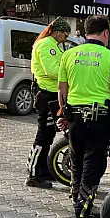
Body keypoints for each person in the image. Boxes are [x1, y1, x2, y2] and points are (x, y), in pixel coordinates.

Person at [57, 15, 110, 218]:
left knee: (77, 161)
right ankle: (83, 211)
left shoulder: (68, 55)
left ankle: (77, 201)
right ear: (106, 33)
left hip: (75, 118)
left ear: (85, 31)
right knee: (93, 164)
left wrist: (63, 114)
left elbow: (62, 90)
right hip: (99, 119)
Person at [25, 18, 71, 189]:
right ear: (57, 31)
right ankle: (33, 174)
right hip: (46, 94)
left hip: (52, 95)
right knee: (43, 135)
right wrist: (69, 71)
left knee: (50, 134)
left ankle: (42, 169)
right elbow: (52, 71)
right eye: (65, 34)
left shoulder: (54, 46)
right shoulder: (46, 45)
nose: (65, 38)